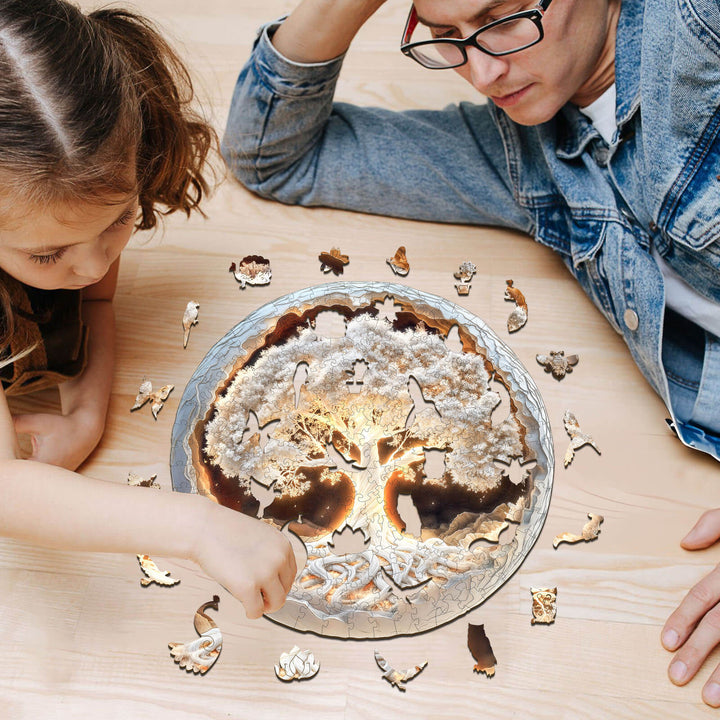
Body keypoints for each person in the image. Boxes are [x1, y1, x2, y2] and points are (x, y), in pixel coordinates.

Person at [221, 0, 720, 705]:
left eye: (503, 16)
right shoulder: (520, 146)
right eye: (446, 35)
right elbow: (271, 154)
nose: (482, 71)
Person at [0, 0, 296, 621]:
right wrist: (195, 527)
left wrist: (84, 415)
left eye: (118, 221)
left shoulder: (74, 228)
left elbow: (97, 296)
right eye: (49, 254)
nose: (90, 265)